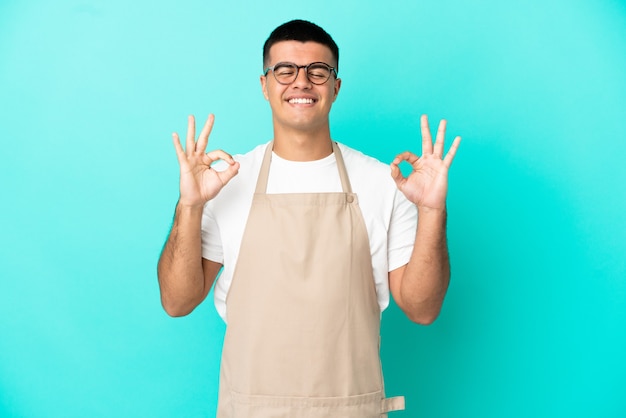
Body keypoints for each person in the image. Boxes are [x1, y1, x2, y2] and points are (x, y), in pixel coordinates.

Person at [157, 19, 460, 418]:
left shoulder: (383, 183)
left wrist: (432, 212)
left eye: (318, 71)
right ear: (264, 85)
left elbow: (422, 309)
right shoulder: (227, 181)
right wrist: (189, 205)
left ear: (335, 87)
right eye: (284, 70)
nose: (301, 82)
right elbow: (177, 301)